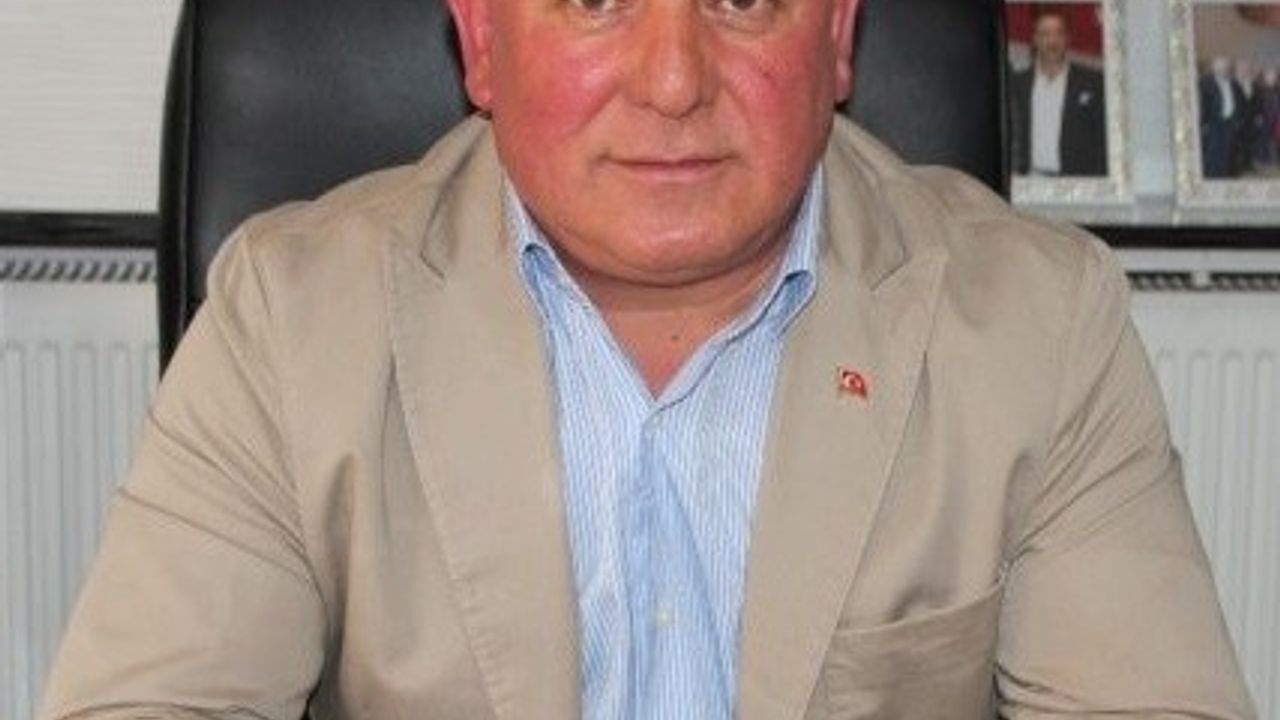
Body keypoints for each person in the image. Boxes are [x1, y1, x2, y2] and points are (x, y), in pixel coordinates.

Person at [40, 0, 1255, 718]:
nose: (673, 81)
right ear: (480, 35)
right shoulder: (289, 319)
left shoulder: (1040, 325)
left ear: (837, 35)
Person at [1009, 9, 1109, 177]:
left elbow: (1104, 139)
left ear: (1067, 38)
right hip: (1029, 179)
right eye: (1044, 34)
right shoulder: (1016, 83)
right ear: (1035, 39)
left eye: (1059, 33)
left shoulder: (1094, 82)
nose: (1052, 41)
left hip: (1077, 181)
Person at [1201, 56, 1249, 179]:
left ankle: (1226, 177)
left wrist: (1239, 121)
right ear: (1213, 66)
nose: (1223, 68)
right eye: (1220, 64)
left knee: (1228, 154)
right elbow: (1201, 104)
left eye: (1226, 65)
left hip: (1230, 124)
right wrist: (1203, 124)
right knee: (1213, 156)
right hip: (1213, 125)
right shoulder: (1205, 83)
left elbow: (1243, 104)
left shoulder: (1234, 84)